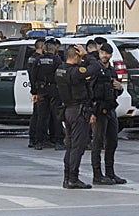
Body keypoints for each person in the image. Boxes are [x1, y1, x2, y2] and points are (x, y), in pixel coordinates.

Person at [55, 45, 95, 189]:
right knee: (78, 146)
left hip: (68, 110)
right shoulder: (75, 72)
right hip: (78, 111)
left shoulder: (60, 69)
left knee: (70, 146)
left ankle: (67, 177)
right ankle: (73, 178)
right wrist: (87, 56)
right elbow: (94, 67)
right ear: (76, 56)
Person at [90, 42, 127, 185]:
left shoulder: (111, 70)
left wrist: (119, 88)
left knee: (112, 142)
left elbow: (116, 89)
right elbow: (90, 91)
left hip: (111, 108)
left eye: (107, 54)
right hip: (98, 109)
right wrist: (91, 111)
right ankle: (97, 175)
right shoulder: (95, 69)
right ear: (99, 54)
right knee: (97, 142)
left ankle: (110, 173)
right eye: (102, 53)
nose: (105, 56)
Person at [26, 38, 50, 150]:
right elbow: (33, 75)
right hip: (39, 90)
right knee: (39, 116)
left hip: (37, 89)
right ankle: (36, 139)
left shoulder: (32, 57)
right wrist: (35, 91)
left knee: (37, 115)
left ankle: (33, 139)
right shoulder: (36, 59)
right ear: (42, 46)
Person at [43, 38, 65, 150]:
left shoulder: (38, 59)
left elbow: (33, 73)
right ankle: (58, 141)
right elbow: (61, 74)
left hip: (42, 89)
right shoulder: (57, 60)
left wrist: (35, 90)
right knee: (57, 115)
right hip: (54, 88)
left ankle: (41, 141)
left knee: (42, 116)